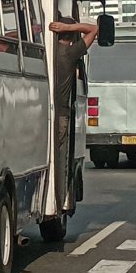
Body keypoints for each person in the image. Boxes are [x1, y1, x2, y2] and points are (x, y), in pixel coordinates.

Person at [48, 17, 98, 209]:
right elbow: (94, 29)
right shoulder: (69, 54)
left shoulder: (47, 53)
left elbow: (0, 43)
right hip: (61, 115)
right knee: (59, 158)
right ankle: (58, 202)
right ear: (72, 37)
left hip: (41, 115)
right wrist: (70, 27)